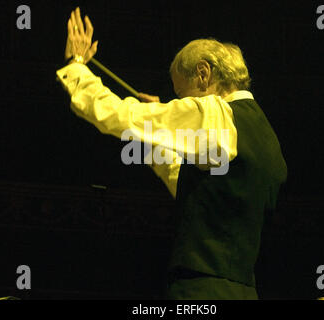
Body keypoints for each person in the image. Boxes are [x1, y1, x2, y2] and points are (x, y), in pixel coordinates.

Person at [57, 7, 287, 299]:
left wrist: (77, 66)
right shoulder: (266, 134)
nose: (180, 103)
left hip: (200, 292)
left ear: (203, 74)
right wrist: (159, 132)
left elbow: (121, 116)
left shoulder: (214, 112)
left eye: (182, 96)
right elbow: (192, 185)